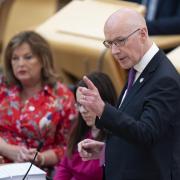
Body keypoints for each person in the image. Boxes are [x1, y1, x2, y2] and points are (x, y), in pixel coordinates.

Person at [77, 8, 180, 180]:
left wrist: (103, 109)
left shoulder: (164, 79)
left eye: (120, 41)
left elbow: (146, 133)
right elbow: (134, 125)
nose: (114, 51)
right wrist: (106, 150)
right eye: (110, 44)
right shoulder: (138, 68)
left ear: (143, 34)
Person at [0, 31, 77, 174]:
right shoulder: (2, 88)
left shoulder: (62, 97)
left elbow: (69, 147)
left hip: (36, 171)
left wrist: (40, 158)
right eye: (15, 58)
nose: (21, 64)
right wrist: (7, 149)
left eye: (28, 57)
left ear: (43, 60)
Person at [54, 72, 117, 180]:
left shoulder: (116, 137)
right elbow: (64, 167)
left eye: (87, 104)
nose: (82, 110)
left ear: (104, 102)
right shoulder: (78, 130)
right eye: (79, 105)